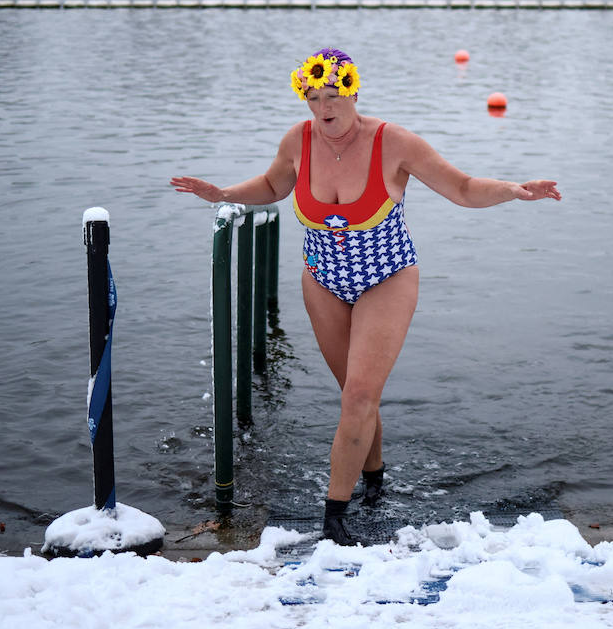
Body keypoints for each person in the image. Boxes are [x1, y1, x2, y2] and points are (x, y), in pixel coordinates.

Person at [171, 47, 561, 545]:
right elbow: (273, 184)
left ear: (353, 91)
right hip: (323, 280)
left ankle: (334, 518)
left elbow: (462, 188)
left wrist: (512, 189)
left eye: (333, 96)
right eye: (313, 97)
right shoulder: (298, 139)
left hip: (387, 278)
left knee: (358, 395)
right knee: (357, 394)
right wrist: (222, 194)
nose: (323, 108)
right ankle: (374, 479)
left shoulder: (393, 142)